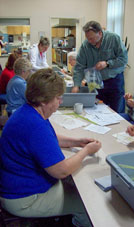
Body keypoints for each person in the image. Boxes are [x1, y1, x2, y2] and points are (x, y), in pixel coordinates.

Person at [0, 68, 101, 227]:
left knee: (76, 185)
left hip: (16, 186)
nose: (60, 102)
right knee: (88, 204)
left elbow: (49, 139)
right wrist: (86, 151)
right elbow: (60, 171)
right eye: (58, 98)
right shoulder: (35, 126)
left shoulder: (29, 112)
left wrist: (76, 142)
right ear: (44, 100)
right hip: (24, 199)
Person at [72, 20, 128, 113]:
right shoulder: (86, 45)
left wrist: (107, 63)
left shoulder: (113, 39)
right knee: (97, 110)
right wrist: (76, 85)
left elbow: (123, 59)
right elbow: (79, 67)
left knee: (116, 111)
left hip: (114, 81)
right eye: (87, 38)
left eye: (92, 38)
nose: (89, 41)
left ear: (100, 33)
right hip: (95, 82)